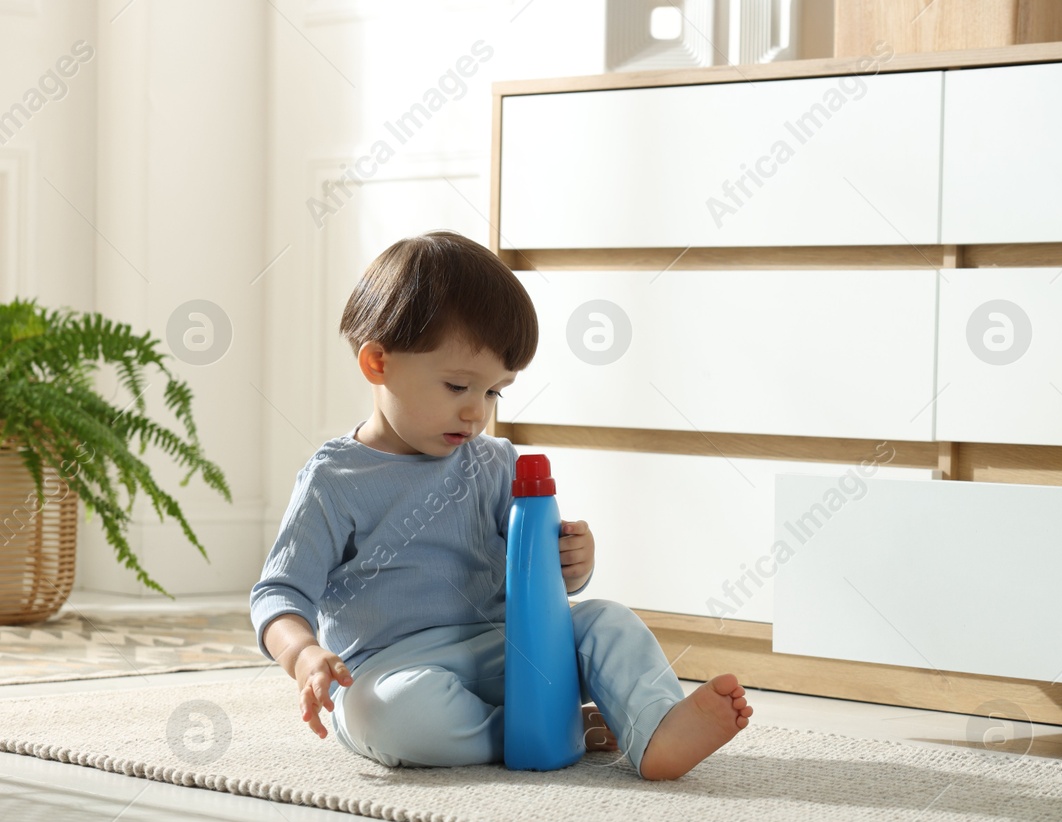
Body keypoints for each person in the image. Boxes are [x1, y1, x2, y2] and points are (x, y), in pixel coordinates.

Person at [248, 231, 752, 780]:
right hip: (394, 671)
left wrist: (572, 564)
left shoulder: (494, 463)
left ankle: (655, 727)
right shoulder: (335, 480)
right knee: (387, 717)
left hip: (510, 649)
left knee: (610, 621)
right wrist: (303, 655)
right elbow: (278, 592)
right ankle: (552, 727)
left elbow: (540, 579)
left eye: (494, 392)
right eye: (457, 385)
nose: (476, 414)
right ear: (378, 363)